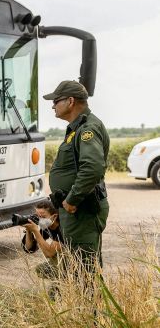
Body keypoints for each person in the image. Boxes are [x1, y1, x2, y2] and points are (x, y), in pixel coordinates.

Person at [44, 80, 110, 275]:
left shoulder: (87, 129)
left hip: (81, 210)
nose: (53, 105)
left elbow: (92, 167)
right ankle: (83, 305)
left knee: (84, 271)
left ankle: (90, 306)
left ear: (70, 101)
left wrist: (72, 199)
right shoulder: (77, 128)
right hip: (75, 210)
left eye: (56, 101)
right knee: (77, 268)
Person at [21, 200, 64, 298]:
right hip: (59, 264)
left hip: (72, 264)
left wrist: (36, 231)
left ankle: (62, 285)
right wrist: (29, 230)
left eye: (43, 217)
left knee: (54, 297)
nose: (40, 220)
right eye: (38, 216)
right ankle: (59, 281)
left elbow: (49, 253)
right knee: (41, 269)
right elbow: (29, 248)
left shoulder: (63, 228)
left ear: (54, 216)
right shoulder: (47, 226)